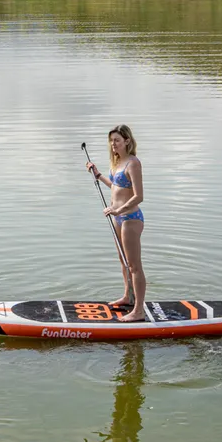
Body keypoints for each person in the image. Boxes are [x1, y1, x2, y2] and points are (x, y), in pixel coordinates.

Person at [85, 124, 146, 322]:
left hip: (130, 218)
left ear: (127, 141)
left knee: (134, 266)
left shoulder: (133, 163)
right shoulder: (118, 162)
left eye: (117, 140)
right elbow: (116, 188)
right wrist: (98, 175)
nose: (113, 144)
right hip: (118, 218)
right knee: (123, 262)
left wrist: (118, 210)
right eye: (111, 141)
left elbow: (138, 196)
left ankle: (138, 310)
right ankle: (128, 297)